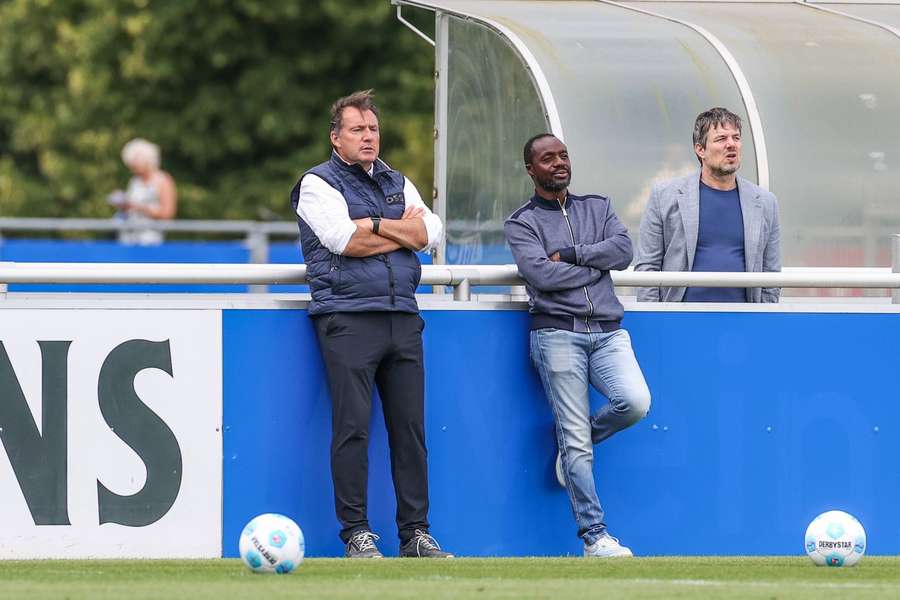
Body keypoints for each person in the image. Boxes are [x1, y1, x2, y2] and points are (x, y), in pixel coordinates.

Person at [289, 90, 452, 559]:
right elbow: (342, 240)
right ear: (335, 137)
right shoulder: (316, 183)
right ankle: (356, 533)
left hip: (403, 316)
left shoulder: (396, 179)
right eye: (357, 129)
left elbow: (429, 235)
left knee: (410, 431)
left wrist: (374, 224)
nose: (368, 137)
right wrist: (396, 228)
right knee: (353, 429)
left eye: (373, 129)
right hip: (347, 318)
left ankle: (415, 534)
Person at [504, 133, 651, 558]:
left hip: (607, 331)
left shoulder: (598, 205)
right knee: (576, 442)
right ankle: (594, 537)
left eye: (563, 155)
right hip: (556, 335)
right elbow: (542, 277)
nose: (558, 163)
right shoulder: (522, 222)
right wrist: (595, 266)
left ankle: (574, 443)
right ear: (531, 170)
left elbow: (623, 251)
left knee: (636, 402)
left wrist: (571, 254)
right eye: (547, 159)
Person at [634, 107, 781, 302]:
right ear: (700, 149)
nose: (731, 145)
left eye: (736, 138)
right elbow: (647, 267)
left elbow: (771, 273)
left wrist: (763, 320)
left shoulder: (765, 202)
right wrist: (657, 320)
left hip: (744, 323)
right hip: (681, 320)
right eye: (721, 139)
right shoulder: (664, 196)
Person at [109, 138, 177, 245]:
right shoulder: (134, 181)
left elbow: (167, 213)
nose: (132, 170)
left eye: (135, 166)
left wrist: (139, 207)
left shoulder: (163, 180)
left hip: (151, 240)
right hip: (129, 239)